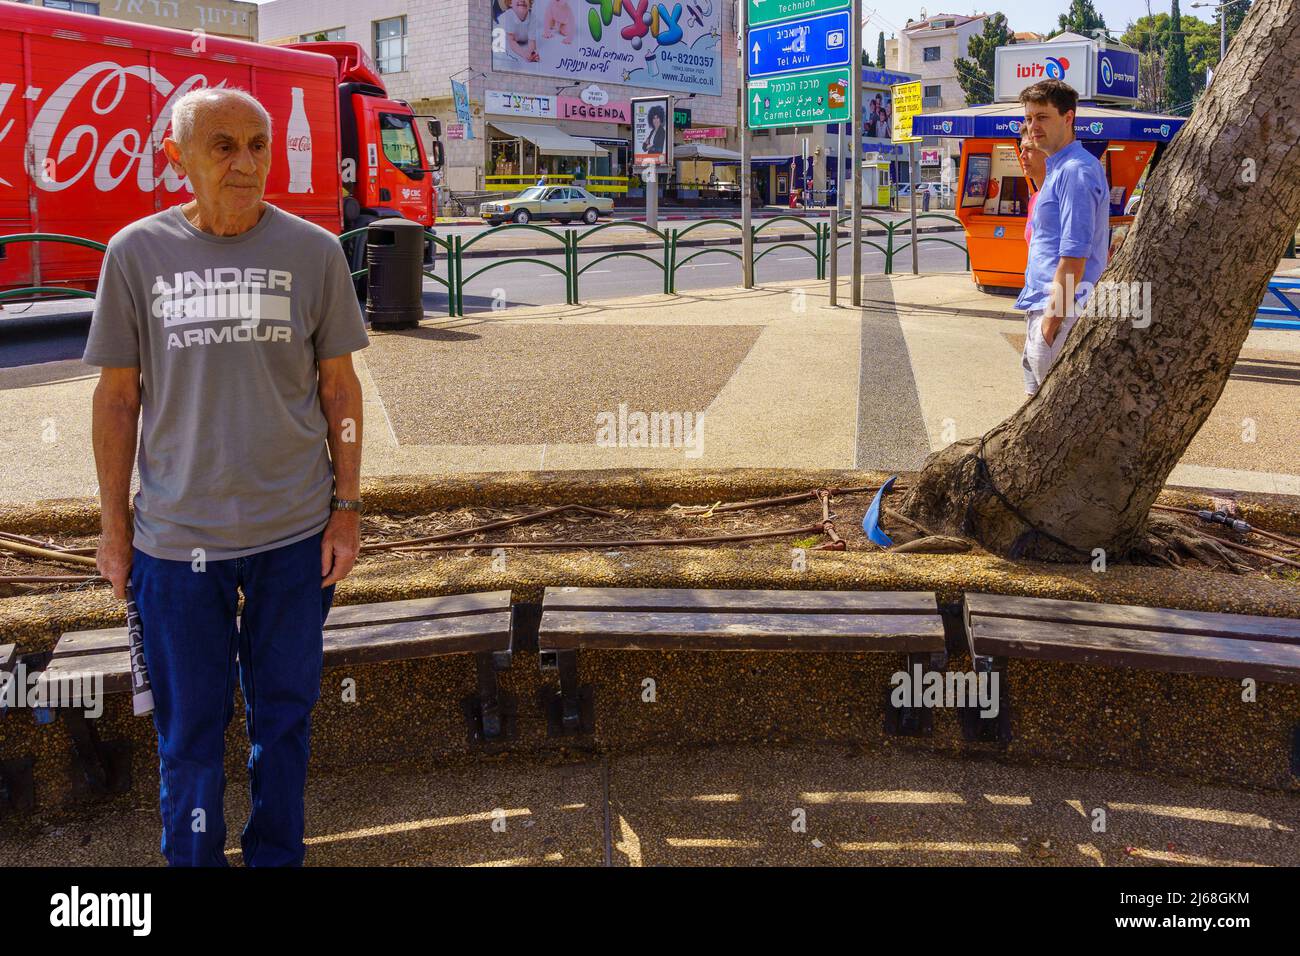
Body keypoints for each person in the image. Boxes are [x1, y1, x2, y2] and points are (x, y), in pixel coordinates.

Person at [85, 87, 369, 866]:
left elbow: (339, 390)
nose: (245, 162)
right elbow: (117, 400)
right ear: (176, 158)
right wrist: (115, 531)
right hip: (175, 547)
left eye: (258, 144)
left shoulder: (314, 252)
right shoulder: (135, 255)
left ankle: (277, 854)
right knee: (189, 733)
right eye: (222, 146)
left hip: (295, 537)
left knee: (284, 718)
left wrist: (346, 510)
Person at [1014, 79, 1110, 398]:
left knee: (1053, 419)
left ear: (1068, 118)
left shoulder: (1074, 171)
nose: (1033, 126)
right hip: (1047, 310)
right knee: (1034, 419)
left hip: (1061, 314)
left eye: (1042, 117)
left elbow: (1073, 259)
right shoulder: (1059, 169)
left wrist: (1050, 327)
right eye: (1029, 118)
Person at [1016, 127, 1047, 243]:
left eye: (1029, 149)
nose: (1022, 156)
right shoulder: (1034, 199)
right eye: (1021, 149)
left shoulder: (1062, 197)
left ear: (1048, 152)